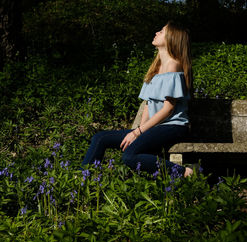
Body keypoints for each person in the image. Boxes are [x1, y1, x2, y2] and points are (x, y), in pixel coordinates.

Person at [81, 21, 194, 177]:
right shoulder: (156, 67)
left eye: (161, 31)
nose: (156, 32)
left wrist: (138, 132)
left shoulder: (173, 66)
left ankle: (185, 173)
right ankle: (83, 178)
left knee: (129, 156)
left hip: (173, 126)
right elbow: (148, 104)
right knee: (100, 138)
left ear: (171, 38)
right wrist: (139, 132)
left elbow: (169, 109)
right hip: (155, 127)